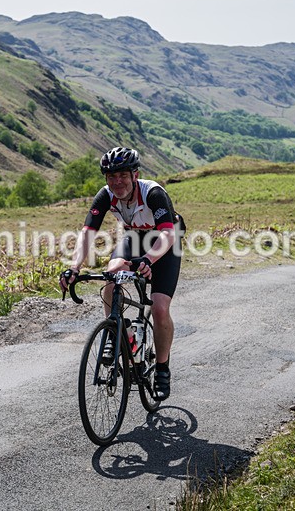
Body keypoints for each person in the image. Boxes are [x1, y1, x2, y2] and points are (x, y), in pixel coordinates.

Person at [59, 147, 184, 400]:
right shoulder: (105, 195)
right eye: (111, 177)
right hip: (135, 238)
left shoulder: (154, 193)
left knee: (159, 307)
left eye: (123, 176)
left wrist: (148, 260)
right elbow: (87, 232)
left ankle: (161, 368)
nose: (117, 182)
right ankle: (117, 331)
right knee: (111, 274)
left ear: (135, 175)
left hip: (166, 241)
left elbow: (169, 234)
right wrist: (74, 267)